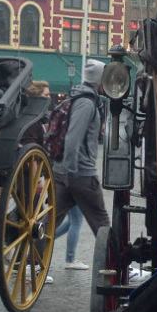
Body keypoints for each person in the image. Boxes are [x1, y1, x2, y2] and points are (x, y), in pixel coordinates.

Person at [52, 60, 109, 241]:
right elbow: (73, 137)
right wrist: (67, 171)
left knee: (49, 222)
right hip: (81, 174)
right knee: (101, 222)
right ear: (99, 81)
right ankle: (115, 265)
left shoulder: (81, 98)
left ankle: (27, 259)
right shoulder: (86, 102)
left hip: (68, 173)